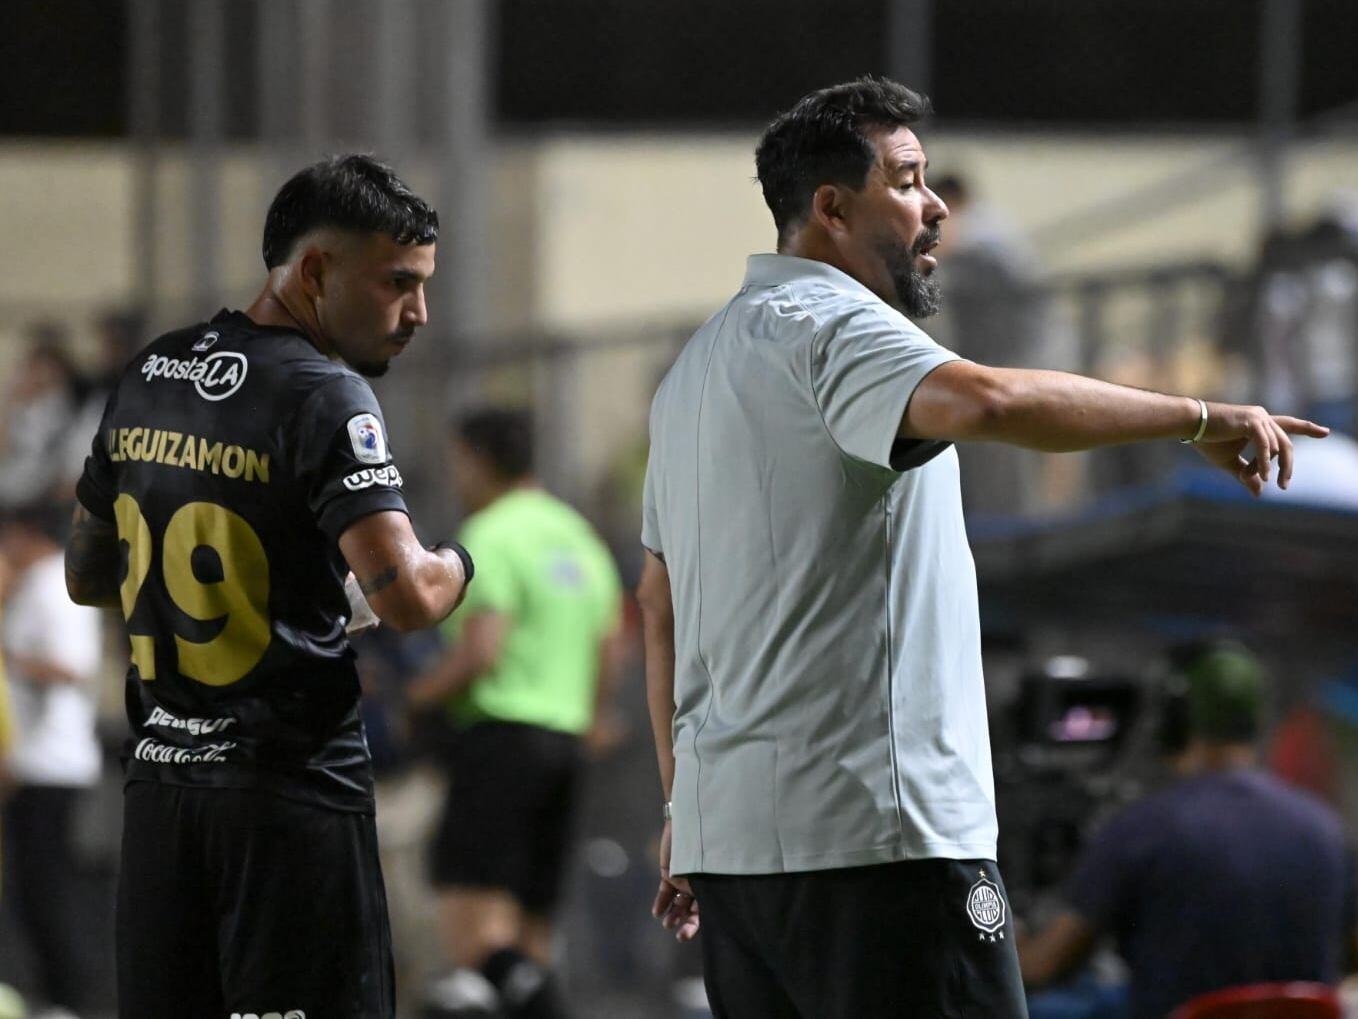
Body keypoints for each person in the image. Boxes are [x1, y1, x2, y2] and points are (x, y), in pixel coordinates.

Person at [636, 77, 1329, 1019]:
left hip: (734, 858)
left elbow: (658, 606)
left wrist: (682, 812)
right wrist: (1197, 416)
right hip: (880, 843)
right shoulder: (837, 326)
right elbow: (991, 402)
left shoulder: (691, 373)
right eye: (907, 180)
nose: (936, 207)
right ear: (832, 208)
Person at [63, 154, 474, 1019]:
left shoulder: (149, 372)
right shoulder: (324, 393)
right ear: (314, 271)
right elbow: (407, 597)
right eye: (398, 283)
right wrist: (461, 564)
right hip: (288, 797)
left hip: (163, 798)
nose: (419, 313)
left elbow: (87, 573)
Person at [406, 408, 625, 1019]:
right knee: (533, 932)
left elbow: (482, 648)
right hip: (567, 744)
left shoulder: (490, 534)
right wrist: (594, 715)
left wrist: (418, 696)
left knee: (474, 931)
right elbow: (612, 640)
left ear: (477, 459)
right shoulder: (577, 536)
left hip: (499, 739)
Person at [1019, 642, 1357, 1019]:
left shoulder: (1143, 827)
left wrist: (1005, 936)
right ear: (1258, 721)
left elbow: (1044, 967)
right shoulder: (1326, 828)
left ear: (1173, 719)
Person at [0, 503, 105, 1019]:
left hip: (53, 762)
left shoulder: (55, 586)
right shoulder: (32, 585)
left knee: (49, 888)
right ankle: (51, 996)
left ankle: (70, 999)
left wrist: (12, 662)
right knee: (30, 888)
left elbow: (73, 667)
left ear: (24, 533)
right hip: (30, 762)